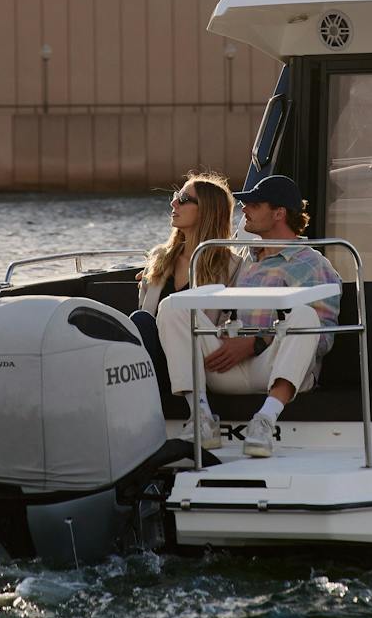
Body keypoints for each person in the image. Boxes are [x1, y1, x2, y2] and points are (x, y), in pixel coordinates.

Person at [155, 174, 341, 459]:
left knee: (305, 316)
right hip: (228, 365)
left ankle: (265, 420)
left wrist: (257, 342)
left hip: (277, 370)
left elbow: (323, 340)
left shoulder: (313, 264)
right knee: (173, 306)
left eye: (254, 204)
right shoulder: (245, 261)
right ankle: (201, 418)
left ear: (279, 213)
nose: (244, 210)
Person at [130, 173, 239, 409]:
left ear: (207, 211)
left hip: (202, 360)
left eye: (183, 198)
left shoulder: (233, 266)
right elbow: (144, 316)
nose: (173, 203)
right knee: (139, 321)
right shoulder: (159, 258)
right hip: (156, 358)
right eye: (175, 196)